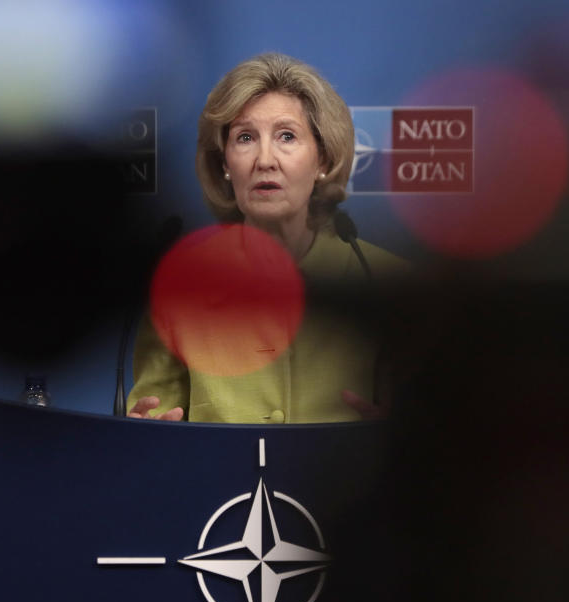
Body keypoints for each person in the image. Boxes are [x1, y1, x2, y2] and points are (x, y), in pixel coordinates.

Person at [127, 53, 408, 424]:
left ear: (322, 160)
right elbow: (152, 423)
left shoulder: (385, 281)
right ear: (226, 164)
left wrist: (404, 434)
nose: (265, 159)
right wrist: (146, 433)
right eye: (245, 138)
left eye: (286, 137)